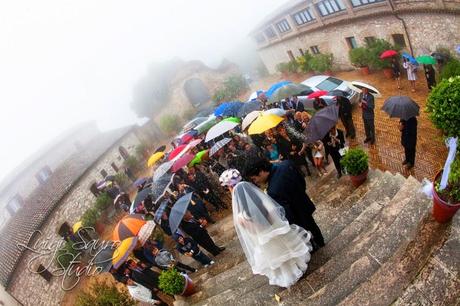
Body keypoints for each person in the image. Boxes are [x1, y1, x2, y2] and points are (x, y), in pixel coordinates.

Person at [219, 169, 313, 288]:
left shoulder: (241, 216)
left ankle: (288, 275)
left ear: (231, 188)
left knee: (278, 260)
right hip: (276, 229)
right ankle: (297, 267)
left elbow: (253, 232)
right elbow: (275, 213)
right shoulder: (261, 198)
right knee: (287, 249)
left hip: (264, 239)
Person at [244, 159, 325, 250]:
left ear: (261, 171)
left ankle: (314, 247)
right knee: (312, 224)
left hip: (297, 217)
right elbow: (302, 181)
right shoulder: (287, 164)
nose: (256, 182)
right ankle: (321, 242)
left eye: (254, 178)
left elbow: (288, 214)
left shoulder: (272, 190)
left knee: (306, 234)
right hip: (304, 202)